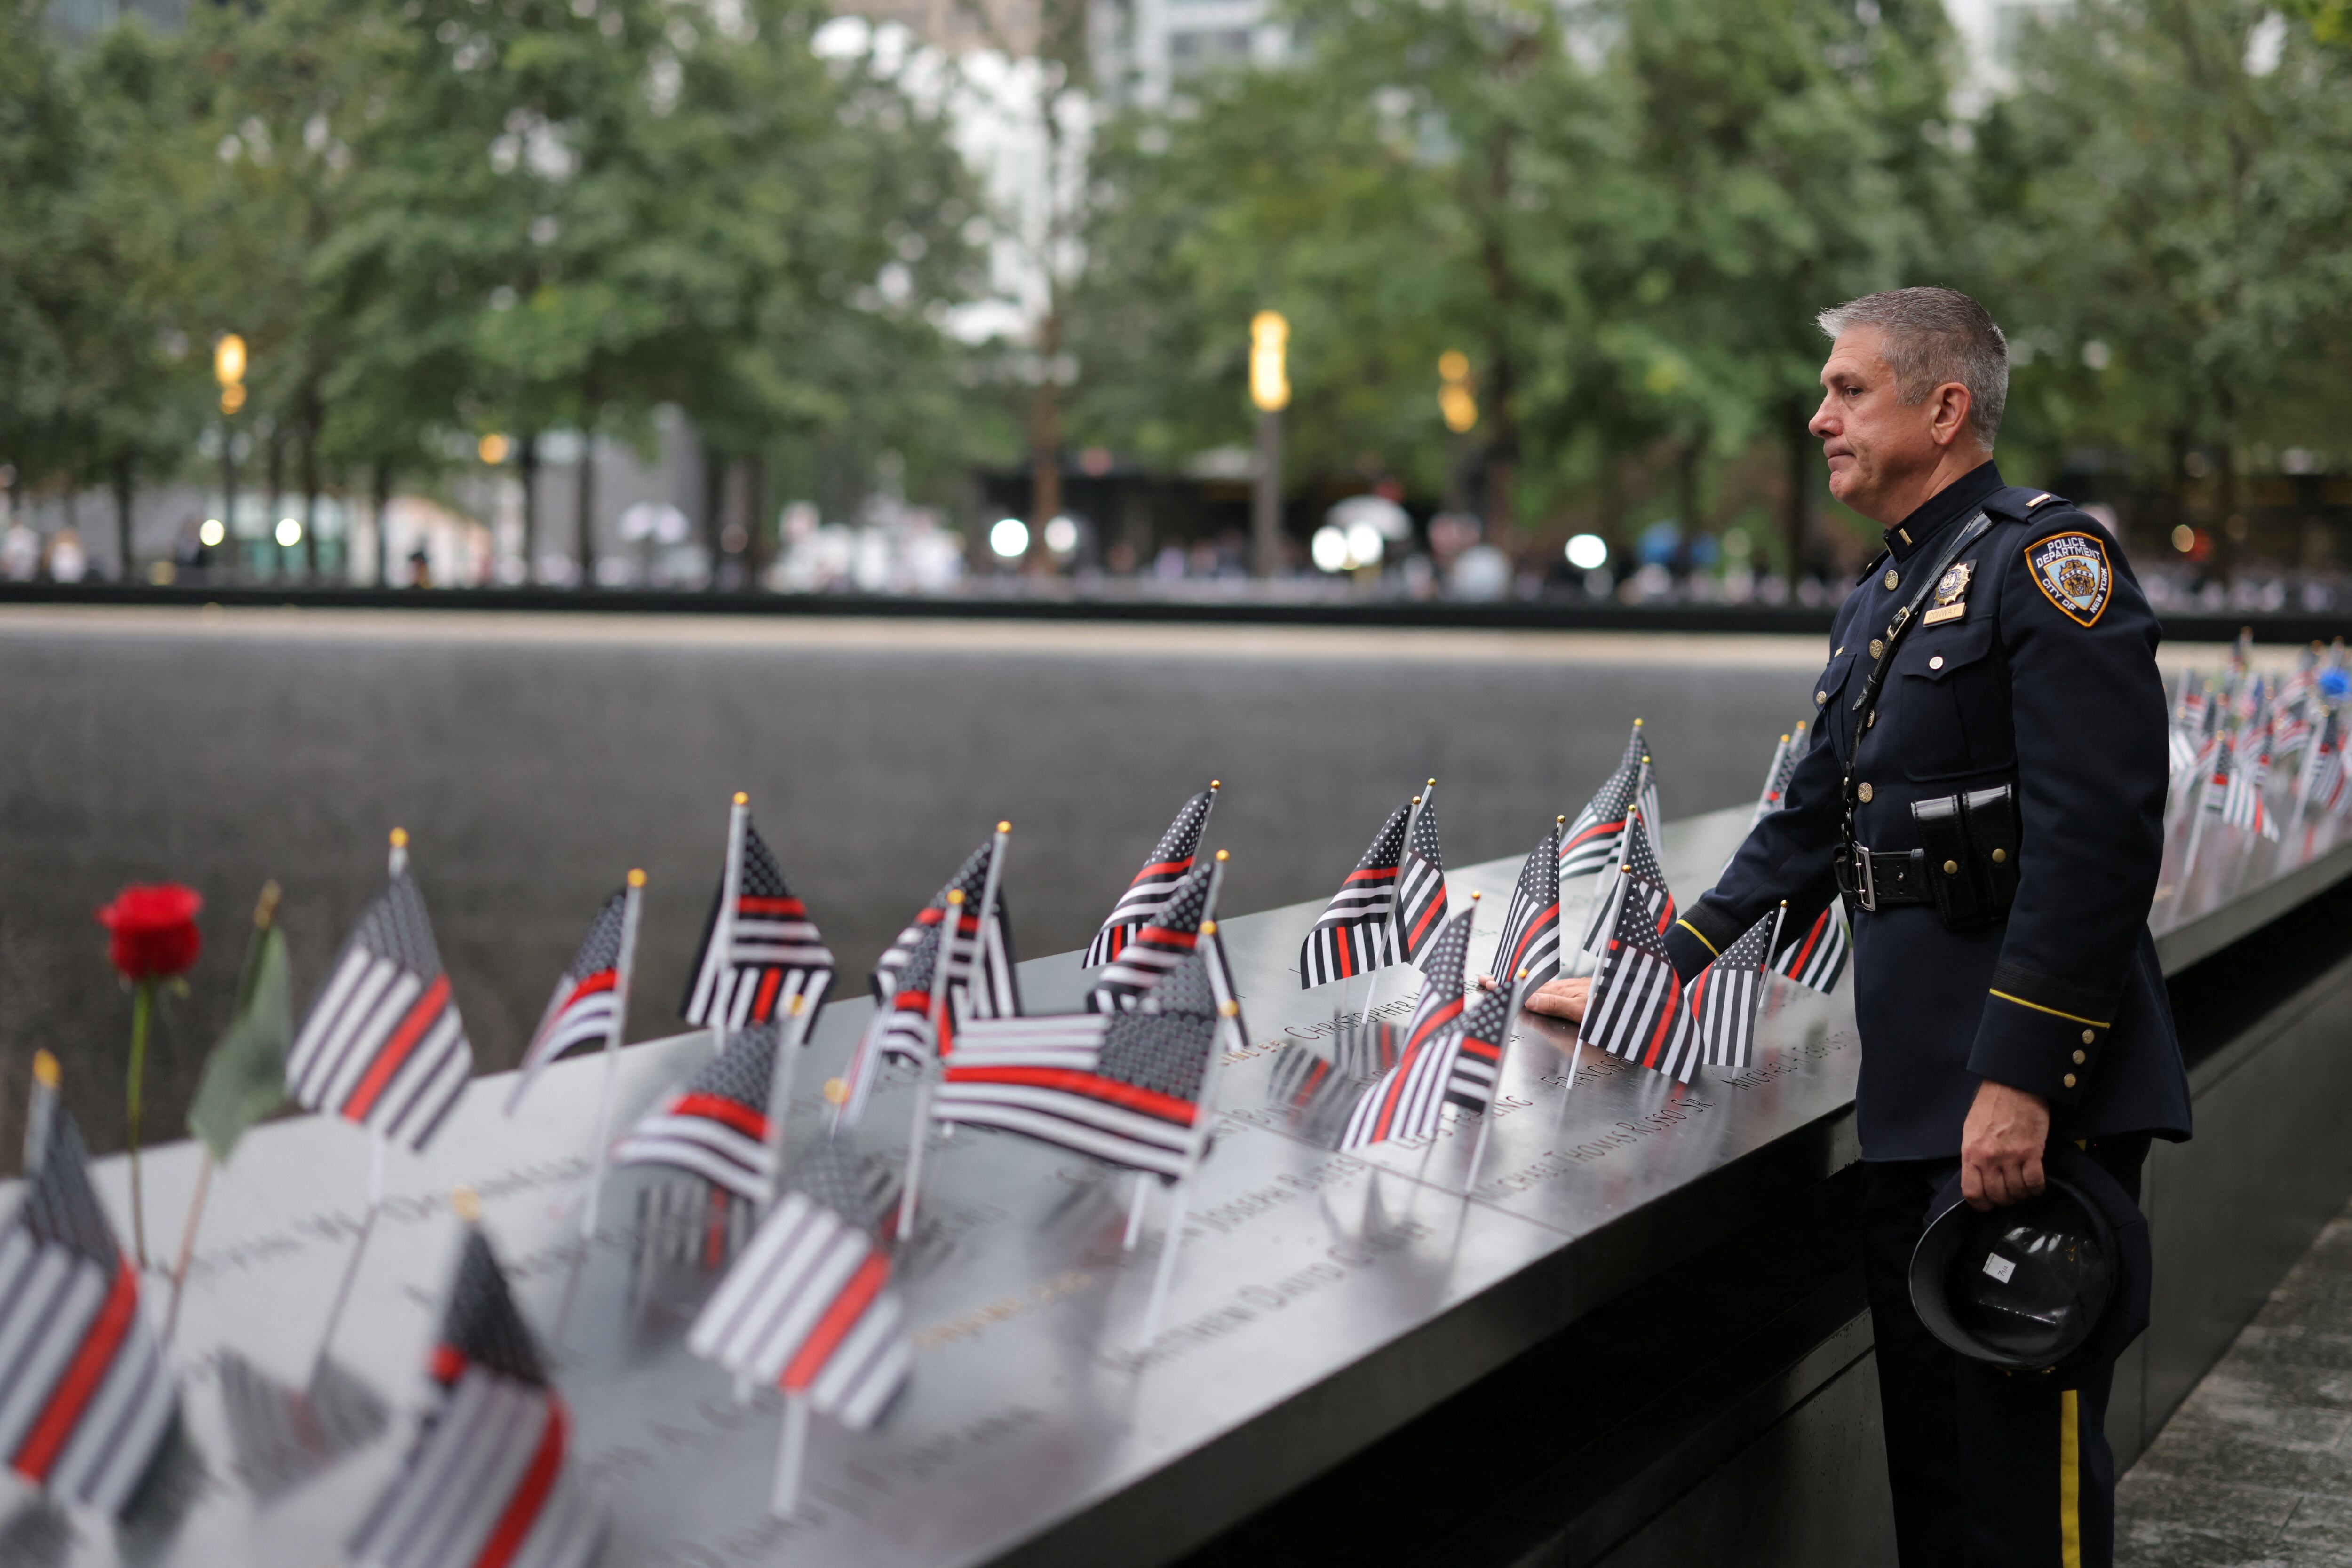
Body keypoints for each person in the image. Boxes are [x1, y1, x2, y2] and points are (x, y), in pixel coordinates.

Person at [1531, 286, 2190, 1568]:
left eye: (1849, 390)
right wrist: (1652, 978)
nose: (1818, 415)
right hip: (1915, 1108)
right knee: (1937, 1490)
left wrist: (2017, 1084)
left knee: (2023, 1506)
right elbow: (1808, 830)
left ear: (1945, 410)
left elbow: (2098, 846)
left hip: (2033, 1114)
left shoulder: (2048, 567)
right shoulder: (1894, 590)